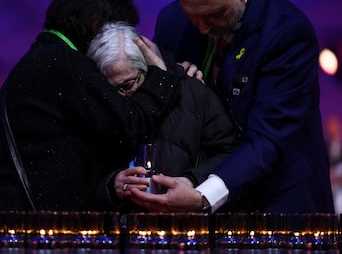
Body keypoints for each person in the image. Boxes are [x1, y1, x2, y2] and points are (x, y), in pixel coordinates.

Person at [129, 0, 334, 214]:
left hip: (278, 199)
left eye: (215, 14)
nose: (202, 27)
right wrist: (168, 80)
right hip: (194, 189)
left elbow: (269, 139)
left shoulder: (286, 31)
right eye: (192, 16)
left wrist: (203, 196)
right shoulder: (172, 21)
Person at [0, 0, 182, 212]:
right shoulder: (67, 65)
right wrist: (161, 75)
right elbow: (129, 127)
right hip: (17, 224)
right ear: (99, 27)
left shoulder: (41, 59)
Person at [86, 22, 240, 210]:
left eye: (127, 86)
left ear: (147, 67)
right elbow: (78, 173)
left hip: (183, 225)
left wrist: (192, 181)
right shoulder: (92, 106)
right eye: (110, 91)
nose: (121, 99)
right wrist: (112, 185)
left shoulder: (193, 93)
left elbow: (231, 154)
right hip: (117, 231)